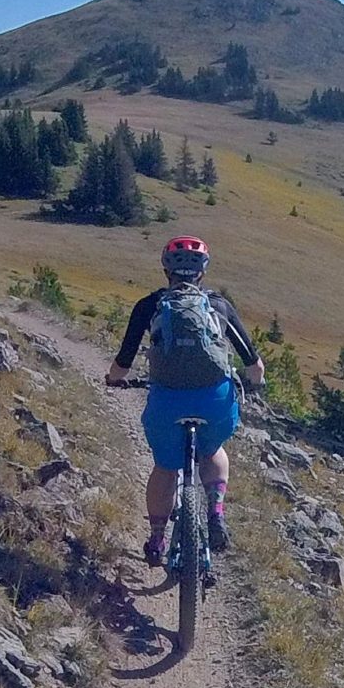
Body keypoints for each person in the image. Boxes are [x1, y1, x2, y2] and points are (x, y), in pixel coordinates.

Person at [105, 237, 265, 564]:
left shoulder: (150, 305)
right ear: (203, 271)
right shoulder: (219, 305)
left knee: (165, 465)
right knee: (213, 450)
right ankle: (216, 512)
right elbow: (254, 365)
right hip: (215, 399)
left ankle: (156, 539)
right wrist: (256, 384)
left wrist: (114, 381)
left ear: (166, 268)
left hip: (167, 401)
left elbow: (123, 360)